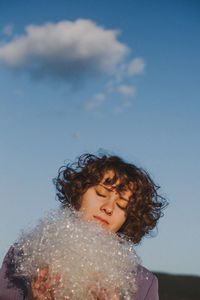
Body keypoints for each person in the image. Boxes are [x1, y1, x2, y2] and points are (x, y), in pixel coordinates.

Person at [0, 153, 167, 299]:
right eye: (101, 193)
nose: (108, 208)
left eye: (122, 205)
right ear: (79, 193)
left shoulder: (145, 284)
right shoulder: (21, 256)